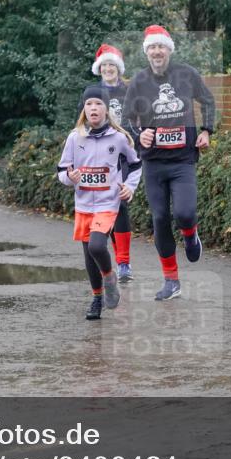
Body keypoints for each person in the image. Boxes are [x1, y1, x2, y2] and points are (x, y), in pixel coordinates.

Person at [122, 25, 216, 301]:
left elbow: (208, 101)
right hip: (154, 163)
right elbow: (127, 118)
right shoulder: (139, 81)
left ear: (169, 49)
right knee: (160, 218)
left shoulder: (186, 74)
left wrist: (207, 130)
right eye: (152, 47)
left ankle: (190, 234)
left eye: (161, 47)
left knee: (184, 213)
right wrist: (142, 135)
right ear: (147, 52)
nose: (156, 52)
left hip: (183, 160)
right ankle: (171, 280)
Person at [58, 86, 142, 320]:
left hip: (108, 203)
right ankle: (96, 298)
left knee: (97, 247)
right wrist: (69, 178)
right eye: (89, 104)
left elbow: (135, 165)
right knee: (88, 256)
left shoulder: (119, 138)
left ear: (106, 109)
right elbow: (62, 170)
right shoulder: (75, 137)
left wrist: (130, 187)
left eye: (98, 104)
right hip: (84, 205)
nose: (93, 108)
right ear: (84, 109)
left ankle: (110, 277)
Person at [83, 44, 137, 283]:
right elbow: (81, 124)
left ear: (118, 68)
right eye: (104, 65)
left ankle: (124, 262)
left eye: (112, 65)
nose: (108, 68)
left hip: (124, 154)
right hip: (99, 159)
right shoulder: (91, 93)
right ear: (99, 68)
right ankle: (101, 255)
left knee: (121, 203)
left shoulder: (130, 92)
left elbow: (139, 119)